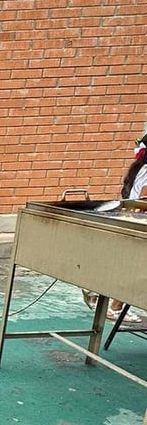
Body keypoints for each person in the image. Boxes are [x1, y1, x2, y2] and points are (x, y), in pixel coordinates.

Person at [83, 132, 147, 320]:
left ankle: (93, 287)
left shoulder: (138, 167)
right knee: (134, 268)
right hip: (139, 223)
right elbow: (144, 198)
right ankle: (115, 307)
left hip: (129, 218)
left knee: (124, 263)